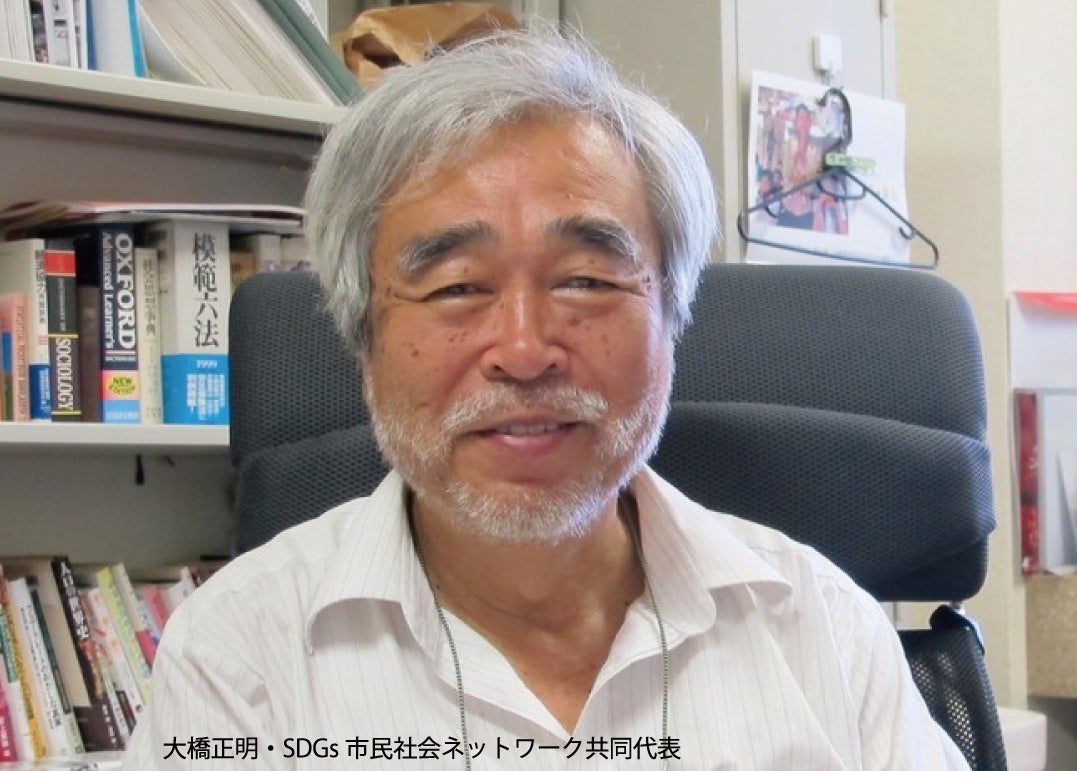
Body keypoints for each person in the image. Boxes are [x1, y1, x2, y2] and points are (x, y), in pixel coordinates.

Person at [124, 28, 970, 770]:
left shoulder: (822, 630)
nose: (524, 351)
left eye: (586, 279)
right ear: (363, 336)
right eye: (456, 287)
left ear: (671, 315)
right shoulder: (241, 655)